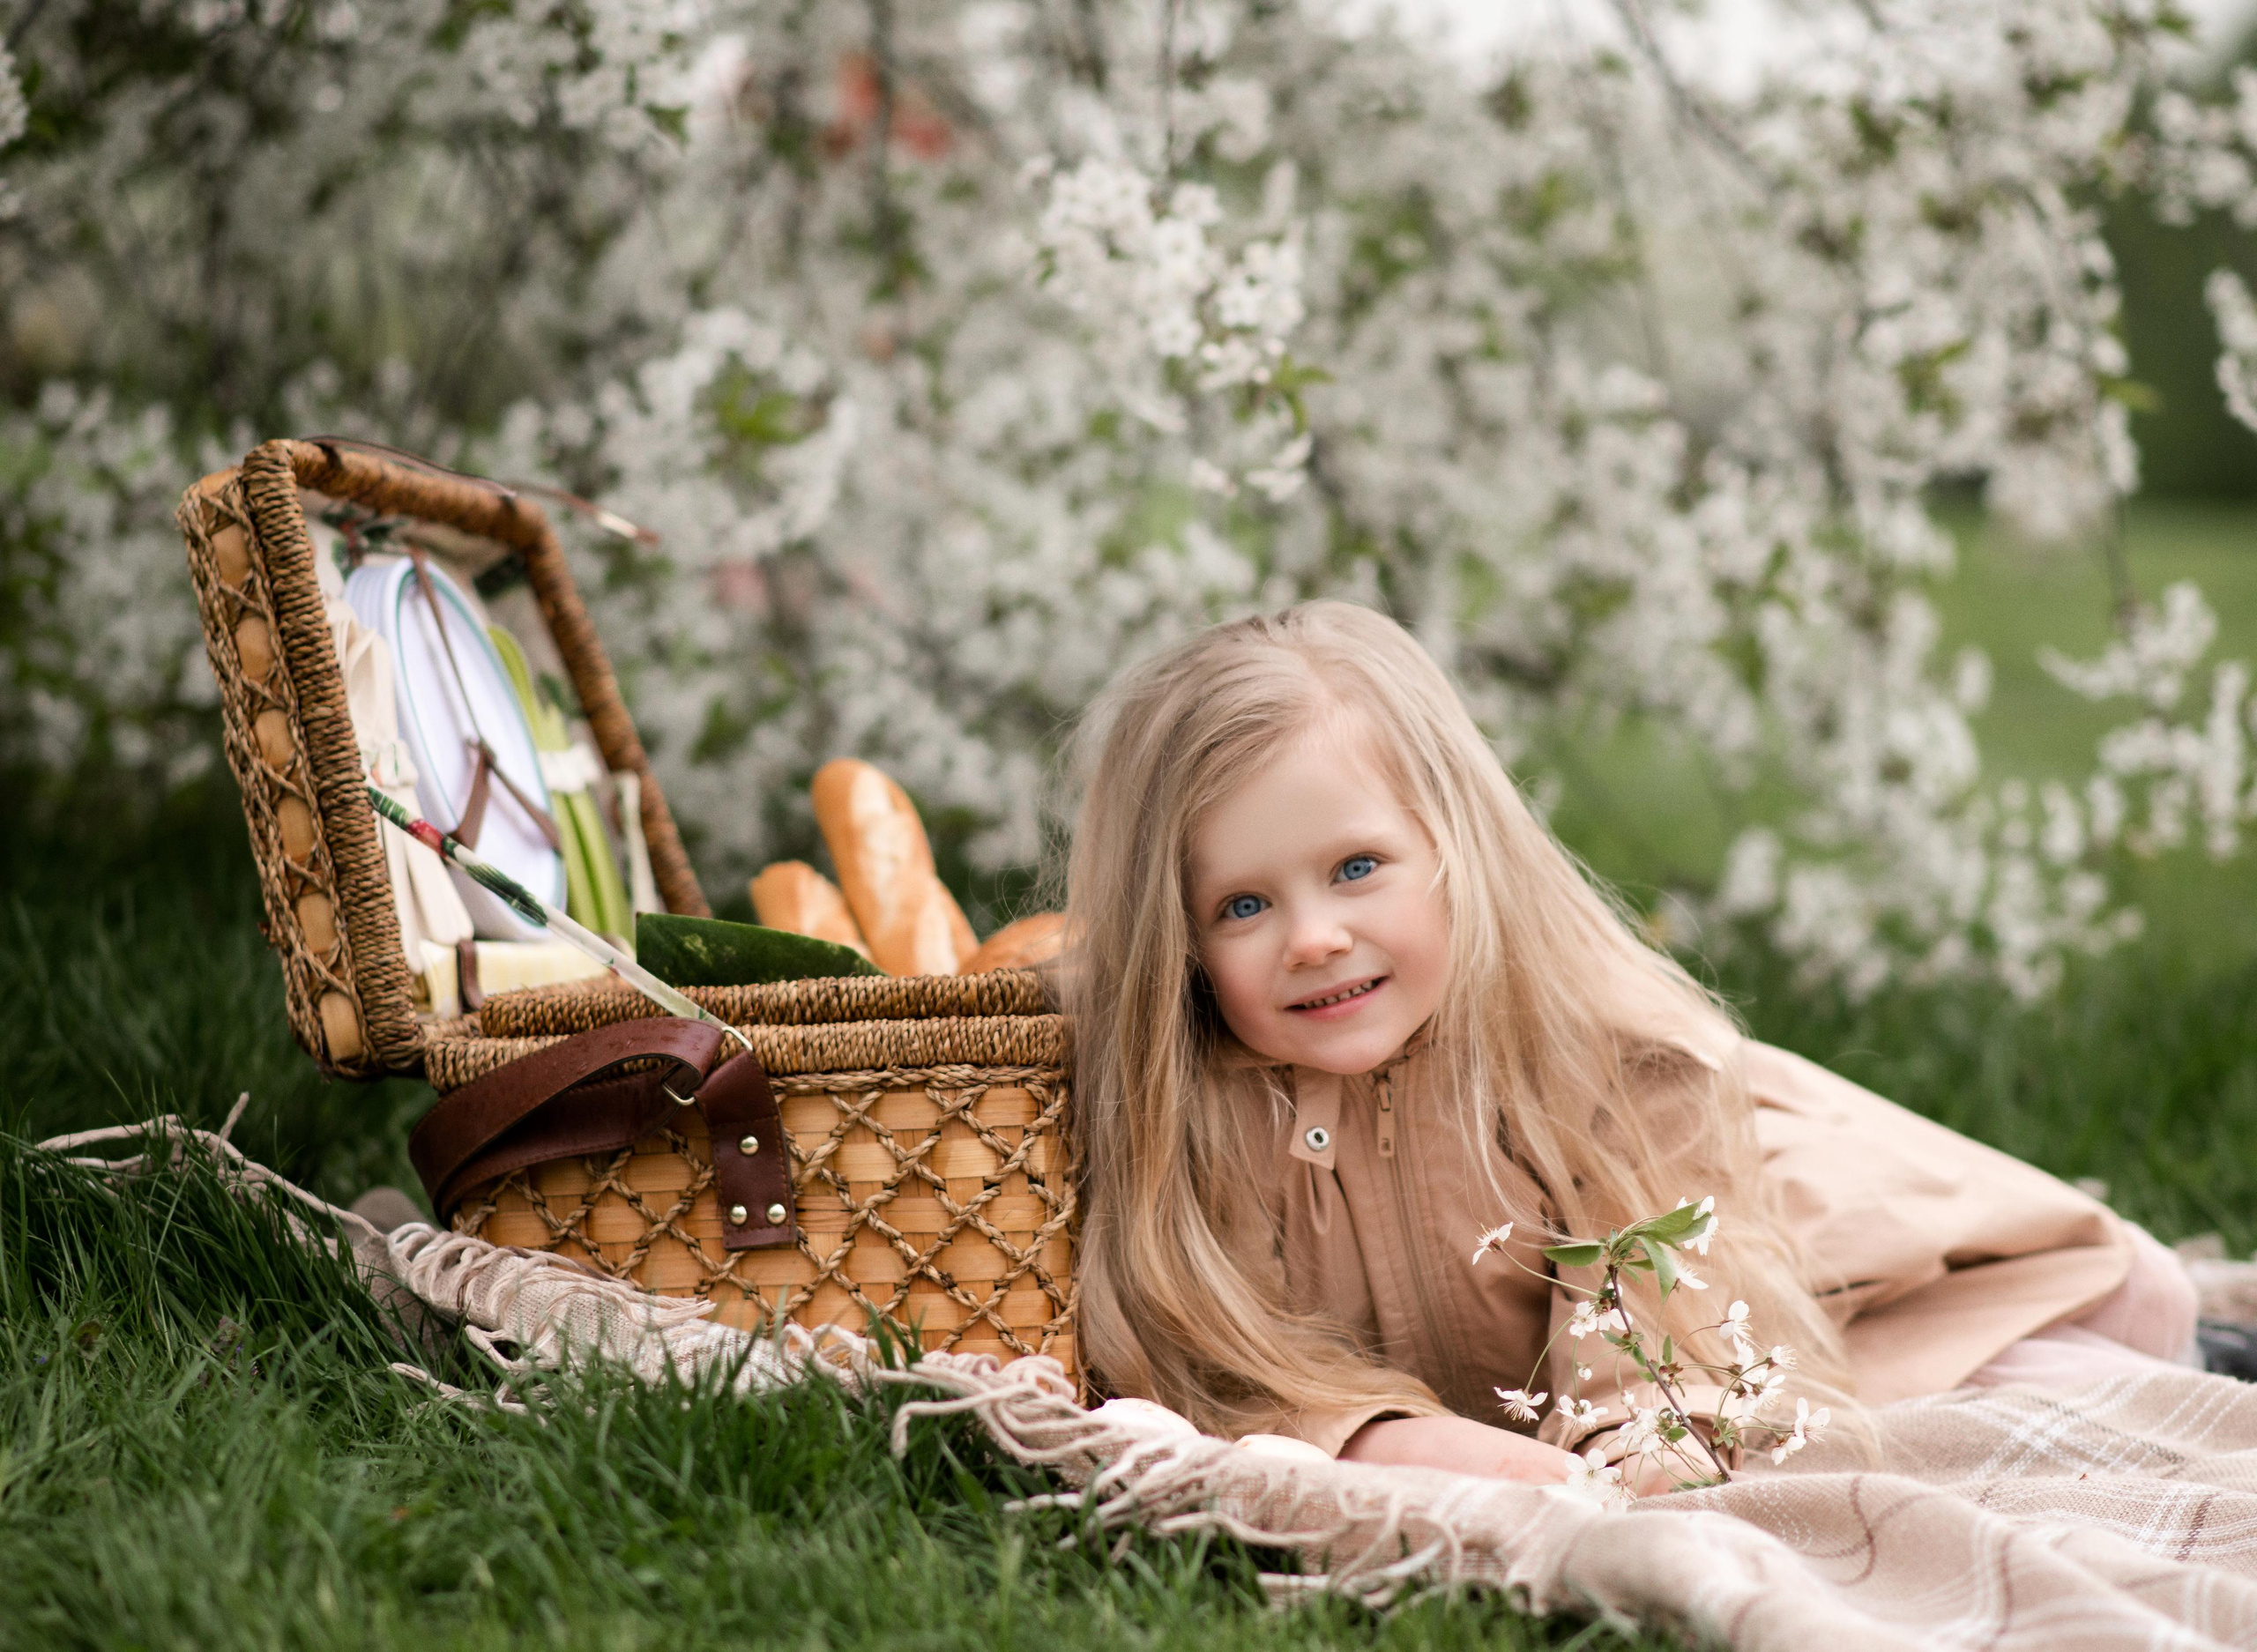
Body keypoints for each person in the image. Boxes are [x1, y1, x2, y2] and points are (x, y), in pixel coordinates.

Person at [1060, 600, 2199, 1491]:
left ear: (1459, 845)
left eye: (1357, 868)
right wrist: (1385, 1443)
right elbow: (1212, 1354)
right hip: (1544, 1387)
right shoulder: (1192, 1112)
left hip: (1815, 1248)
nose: (1315, 936)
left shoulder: (1601, 1052)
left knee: (2074, 1375)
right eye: (1243, 906)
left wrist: (1641, 1427)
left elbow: (1670, 1289)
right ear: (1180, 942)